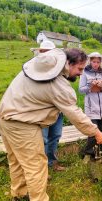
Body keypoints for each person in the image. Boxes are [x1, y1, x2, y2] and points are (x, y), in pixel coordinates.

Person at [0, 48, 102, 201]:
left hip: (5, 116)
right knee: (36, 164)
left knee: (17, 160)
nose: (80, 73)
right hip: (21, 122)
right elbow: (75, 114)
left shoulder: (44, 68)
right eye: (79, 68)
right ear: (67, 63)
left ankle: (19, 195)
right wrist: (97, 133)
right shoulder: (57, 84)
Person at [32, 40, 66, 171]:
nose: (47, 55)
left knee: (56, 136)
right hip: (43, 111)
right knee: (43, 139)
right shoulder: (34, 69)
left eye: (50, 52)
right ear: (40, 52)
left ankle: (52, 162)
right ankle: (43, 167)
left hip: (58, 109)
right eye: (45, 52)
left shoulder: (59, 68)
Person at [79, 52, 102, 160]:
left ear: (100, 62)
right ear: (90, 61)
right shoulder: (84, 73)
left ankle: (100, 153)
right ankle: (87, 153)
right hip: (91, 107)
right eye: (93, 61)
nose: (95, 64)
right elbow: (81, 90)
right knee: (92, 132)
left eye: (97, 62)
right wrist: (90, 85)